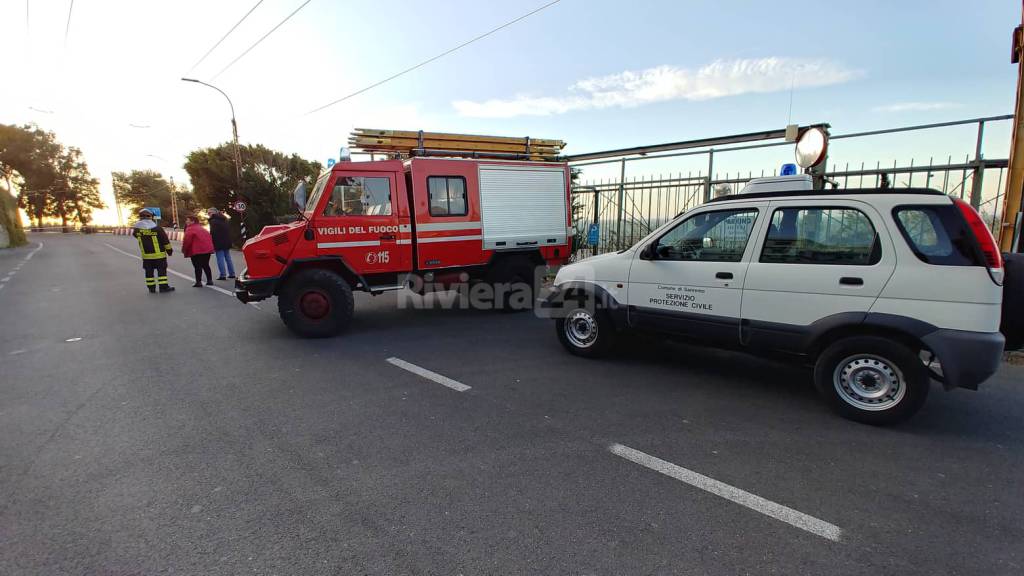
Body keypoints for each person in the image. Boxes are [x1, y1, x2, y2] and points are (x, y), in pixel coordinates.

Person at [132, 209, 175, 293]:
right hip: (159, 255)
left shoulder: (137, 229)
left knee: (149, 272)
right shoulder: (157, 228)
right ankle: (163, 287)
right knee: (161, 272)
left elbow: (135, 235)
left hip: (146, 256)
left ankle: (151, 288)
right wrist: (169, 251)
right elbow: (165, 241)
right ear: (151, 217)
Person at [182, 215, 215, 287]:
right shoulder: (202, 228)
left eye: (188, 220)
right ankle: (210, 280)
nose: (186, 222)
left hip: (197, 250)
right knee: (206, 265)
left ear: (192, 221)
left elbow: (187, 241)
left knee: (197, 266)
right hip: (207, 250)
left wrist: (184, 249)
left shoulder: (190, 229)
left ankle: (198, 282)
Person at [207, 207, 236, 280]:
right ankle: (232, 273)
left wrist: (211, 242)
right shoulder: (224, 219)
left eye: (209, 213)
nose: (208, 214)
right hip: (227, 241)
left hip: (218, 242)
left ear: (214, 213)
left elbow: (213, 233)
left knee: (220, 258)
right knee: (228, 258)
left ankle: (223, 275)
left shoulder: (213, 221)